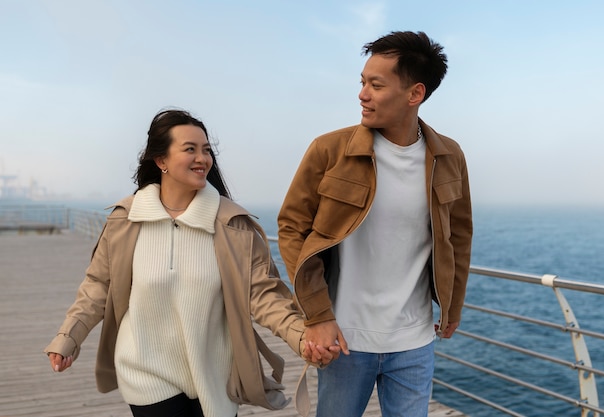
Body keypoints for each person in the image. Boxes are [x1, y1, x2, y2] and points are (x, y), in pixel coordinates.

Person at [45, 109, 338, 417]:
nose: (203, 158)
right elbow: (98, 286)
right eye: (190, 149)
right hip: (146, 374)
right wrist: (68, 337)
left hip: (215, 378)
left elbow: (263, 296)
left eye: (207, 150)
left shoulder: (232, 224)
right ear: (161, 161)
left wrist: (302, 337)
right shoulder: (126, 220)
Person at [277, 31, 473, 417]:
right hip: (345, 339)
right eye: (362, 82)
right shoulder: (329, 150)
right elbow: (292, 228)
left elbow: (458, 236)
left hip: (415, 341)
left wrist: (453, 307)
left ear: (414, 93)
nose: (362, 94)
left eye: (376, 85)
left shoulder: (450, 156)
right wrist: (317, 317)